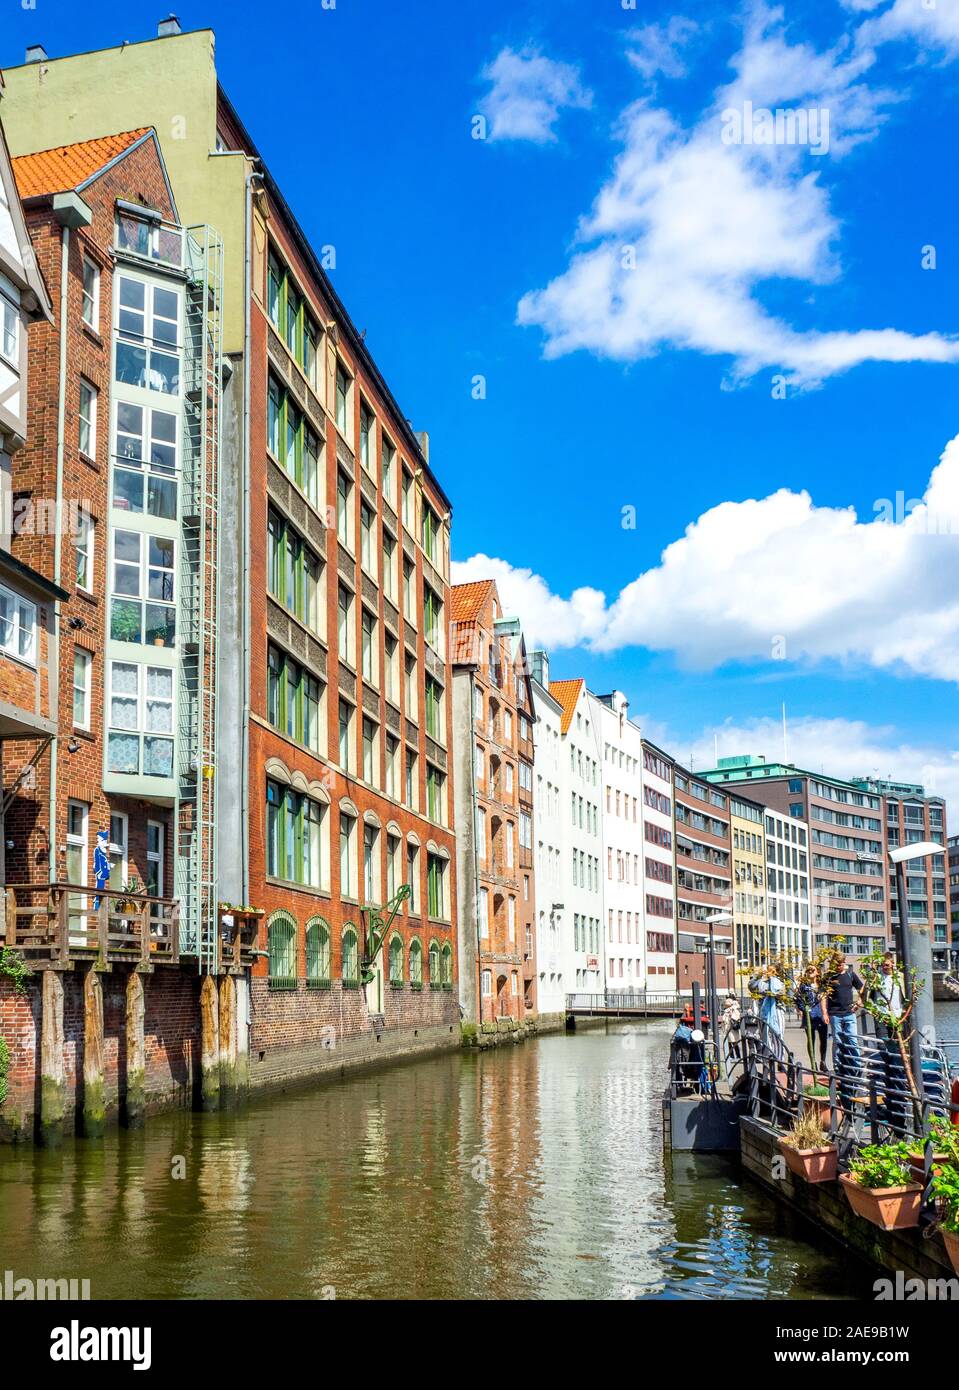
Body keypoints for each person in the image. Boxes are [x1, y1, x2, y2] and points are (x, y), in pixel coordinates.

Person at [822, 953, 864, 1107]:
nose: (839, 966)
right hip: (835, 1014)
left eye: (841, 964)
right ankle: (838, 1067)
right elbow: (823, 995)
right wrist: (825, 1013)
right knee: (838, 1041)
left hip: (849, 1013)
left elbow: (862, 988)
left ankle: (856, 1064)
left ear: (844, 963)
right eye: (836, 964)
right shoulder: (829, 977)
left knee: (852, 1039)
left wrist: (859, 1002)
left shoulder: (850, 974)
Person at [795, 965, 828, 1070]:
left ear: (817, 972)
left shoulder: (821, 985)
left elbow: (825, 999)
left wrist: (825, 1013)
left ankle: (823, 1061)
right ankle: (813, 1063)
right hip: (809, 1015)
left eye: (813, 970)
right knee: (811, 1039)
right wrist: (804, 1009)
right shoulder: (803, 986)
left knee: (823, 1039)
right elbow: (797, 999)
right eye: (808, 970)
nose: (810, 971)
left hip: (820, 1015)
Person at [870, 953, 905, 1040]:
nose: (884, 967)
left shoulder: (900, 976)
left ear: (892, 963)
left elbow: (906, 995)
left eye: (887, 965)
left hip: (897, 1015)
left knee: (897, 1042)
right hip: (880, 1015)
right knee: (882, 1042)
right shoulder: (876, 977)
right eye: (882, 965)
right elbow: (868, 994)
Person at [751, 963, 786, 1038]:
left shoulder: (779, 982)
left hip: (777, 1009)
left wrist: (772, 991)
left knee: (778, 1035)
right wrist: (758, 976)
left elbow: (781, 994)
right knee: (764, 1036)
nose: (767, 971)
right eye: (767, 969)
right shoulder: (761, 981)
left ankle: (778, 1046)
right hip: (763, 1010)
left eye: (769, 970)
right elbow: (751, 987)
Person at [720, 992, 743, 1062]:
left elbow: (737, 1018)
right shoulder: (726, 1011)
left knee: (734, 1043)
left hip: (732, 1029)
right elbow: (723, 1019)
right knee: (729, 1043)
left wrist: (731, 1015)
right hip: (727, 1029)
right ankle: (731, 1056)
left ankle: (738, 1056)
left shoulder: (734, 1010)